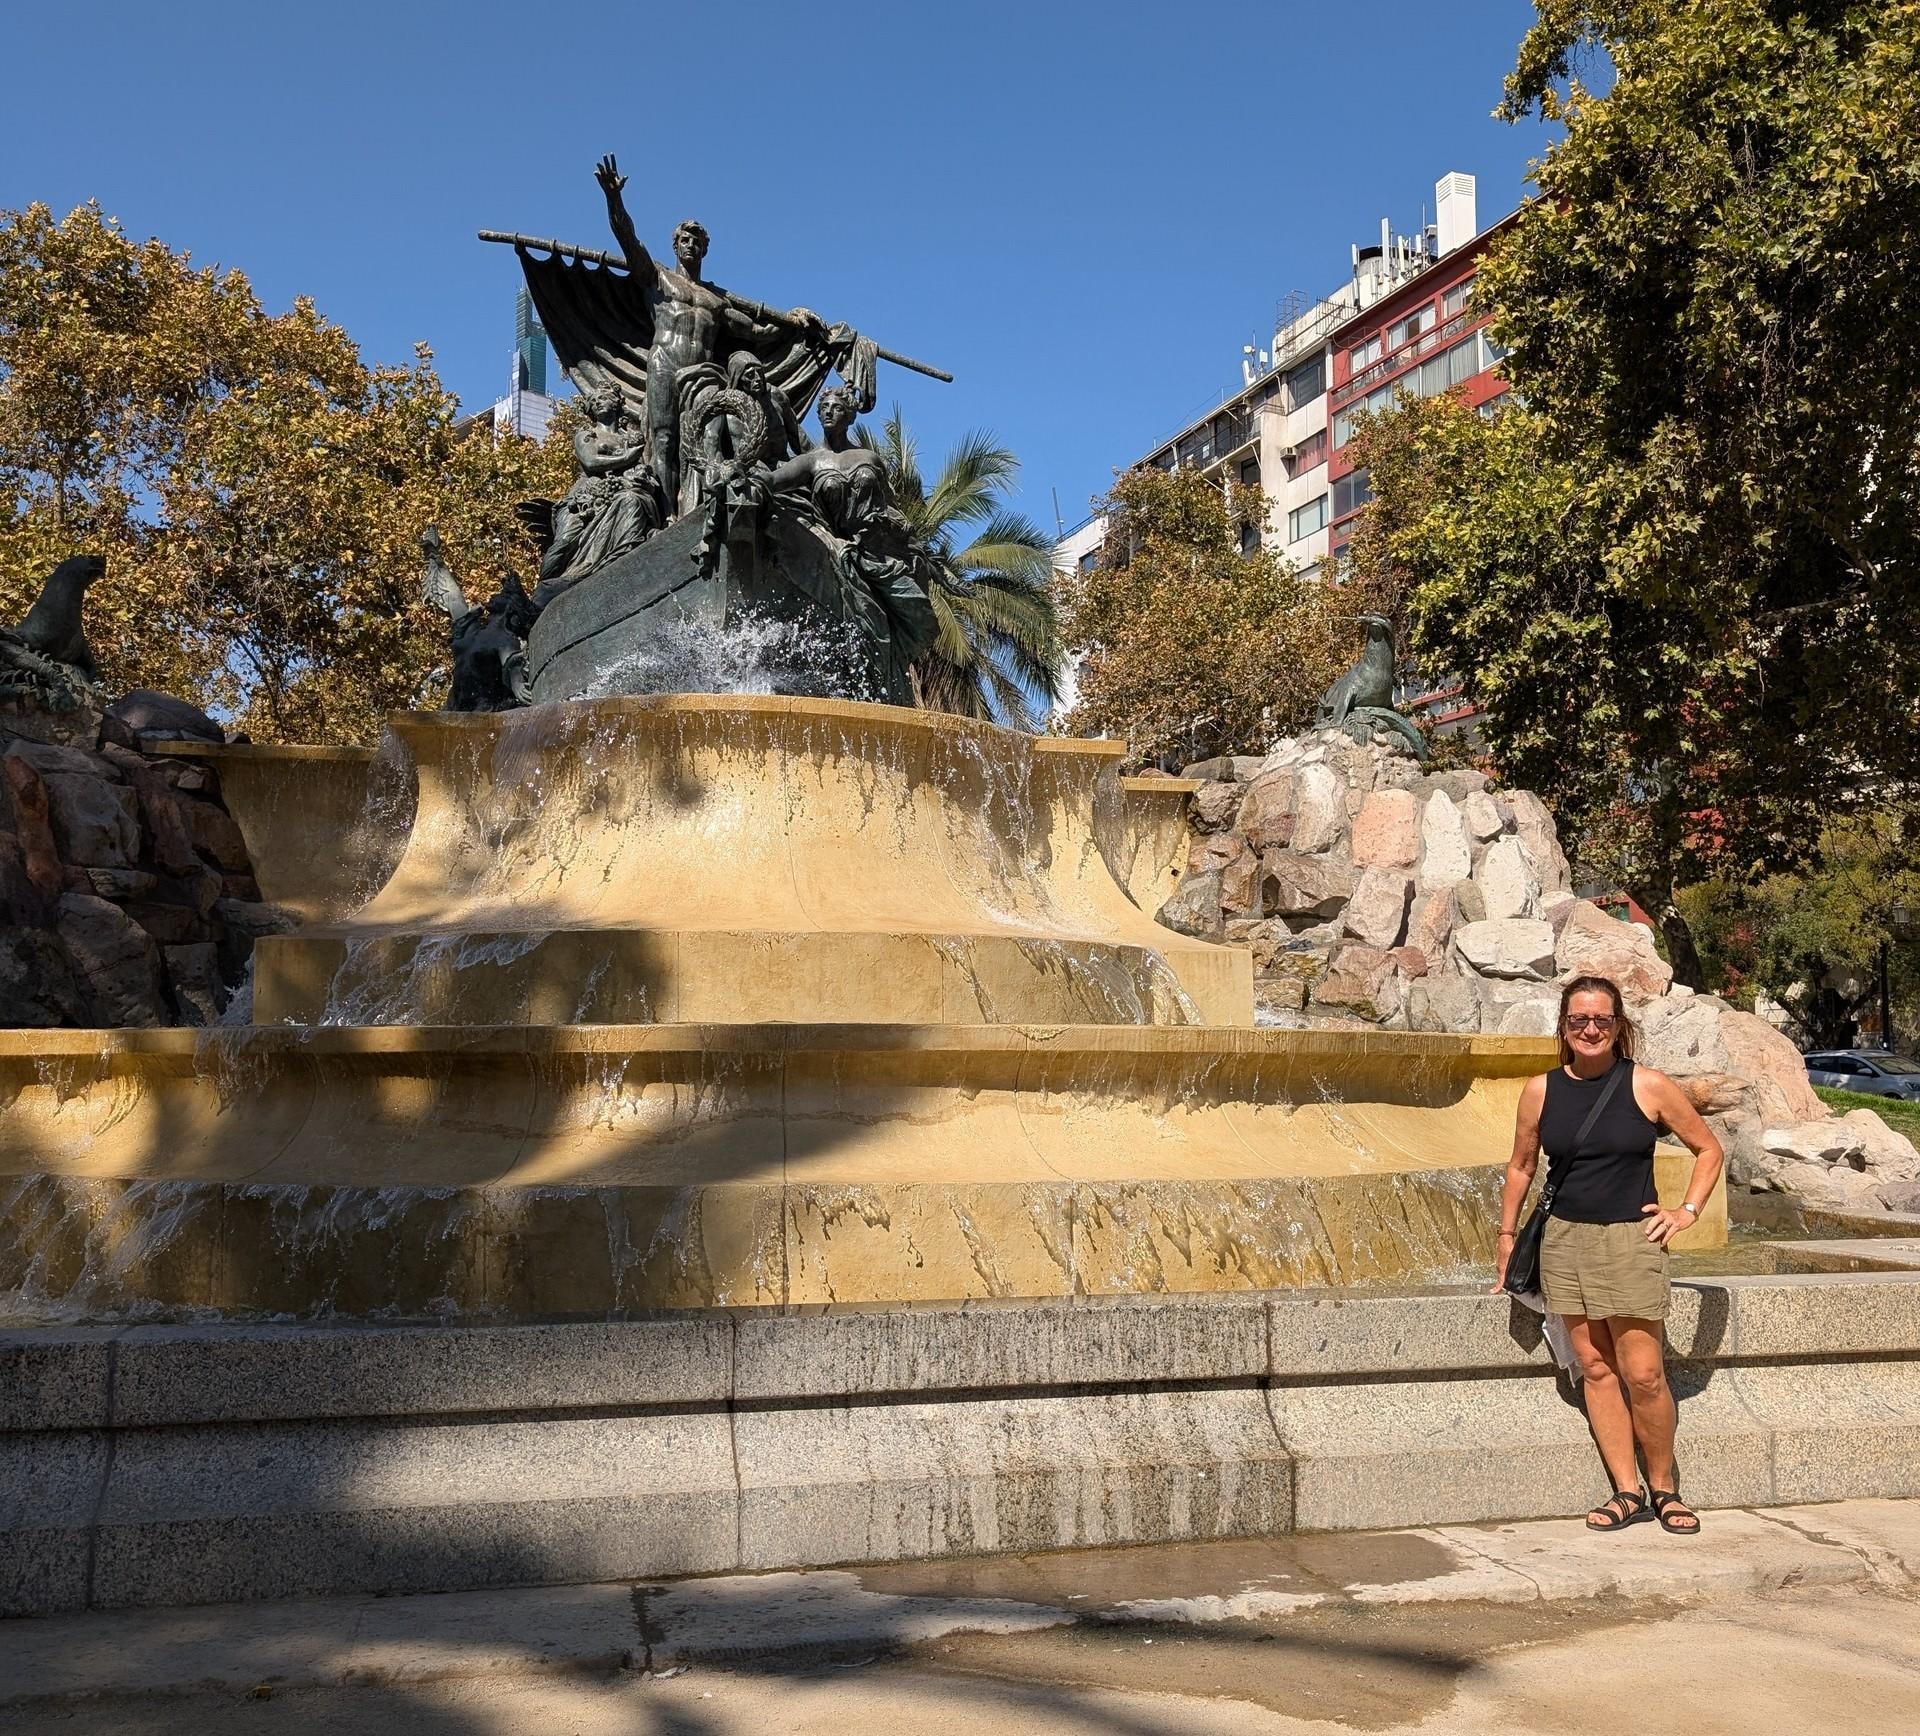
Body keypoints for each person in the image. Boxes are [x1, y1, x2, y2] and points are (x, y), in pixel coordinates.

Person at [1491, 973, 1725, 1535]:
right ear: (1564, 1027)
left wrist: (1685, 1212)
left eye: (1601, 1019)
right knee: (1594, 1368)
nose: (1590, 1029)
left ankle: (1664, 1487)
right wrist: (1505, 1238)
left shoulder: (1646, 1084)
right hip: (1566, 1240)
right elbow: (1522, 1166)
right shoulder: (1541, 1090)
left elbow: (1708, 1148)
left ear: (1619, 1026)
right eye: (1579, 1020)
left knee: (1642, 1373)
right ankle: (1627, 1489)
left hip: (1630, 1238)